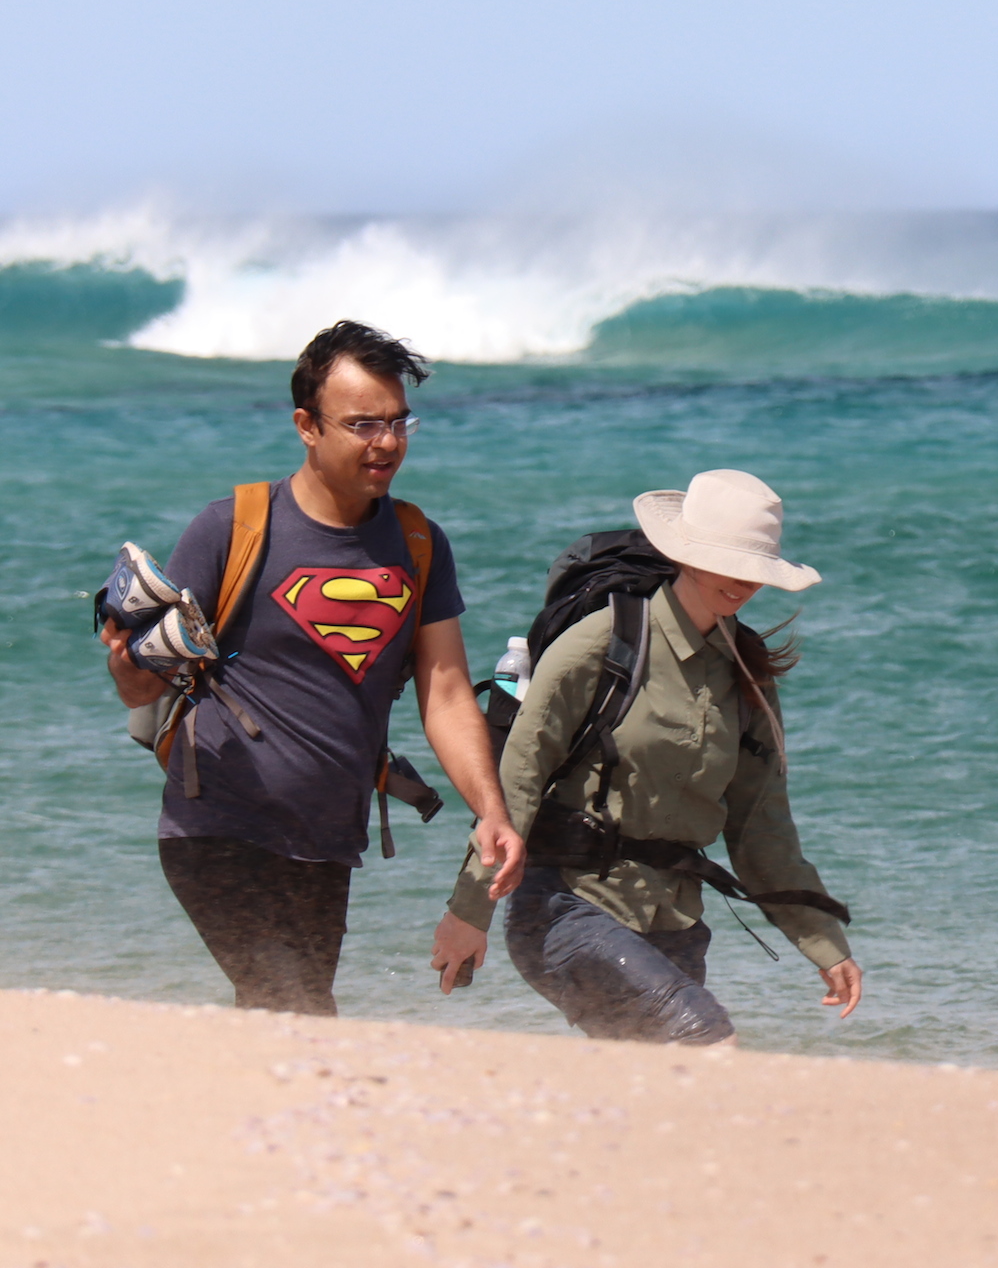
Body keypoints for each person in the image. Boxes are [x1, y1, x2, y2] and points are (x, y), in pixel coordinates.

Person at [102, 319, 526, 1015]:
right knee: (293, 1007)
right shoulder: (234, 526)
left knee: (287, 1014)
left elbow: (446, 693)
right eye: (363, 424)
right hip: (218, 825)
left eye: (398, 423)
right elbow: (152, 677)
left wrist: (491, 810)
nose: (386, 443)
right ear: (307, 425)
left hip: (327, 839)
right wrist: (126, 667)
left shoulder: (418, 542)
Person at [430, 469, 861, 1044]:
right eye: (726, 561)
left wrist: (824, 944)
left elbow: (762, 826)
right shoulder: (599, 644)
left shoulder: (745, 671)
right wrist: (468, 912)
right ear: (683, 554)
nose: (743, 583)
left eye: (754, 569)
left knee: (658, 1087)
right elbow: (516, 787)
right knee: (706, 1039)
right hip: (566, 908)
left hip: (676, 925)